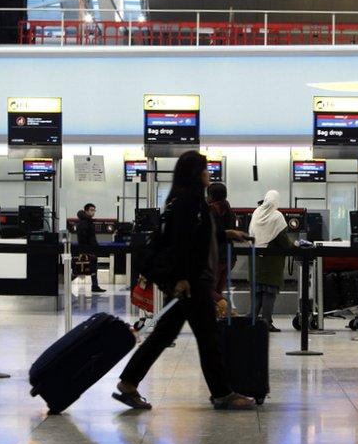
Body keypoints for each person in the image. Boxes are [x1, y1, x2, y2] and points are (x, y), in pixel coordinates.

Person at [114, 151, 255, 411]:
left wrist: (227, 233)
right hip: (191, 281)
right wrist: (180, 278)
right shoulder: (189, 200)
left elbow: (195, 235)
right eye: (204, 169)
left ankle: (129, 382)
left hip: (187, 280)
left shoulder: (182, 199)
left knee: (164, 334)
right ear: (194, 173)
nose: (208, 174)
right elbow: (181, 241)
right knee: (208, 337)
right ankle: (222, 393)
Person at [248, 190, 294, 332]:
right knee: (269, 294)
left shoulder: (256, 213)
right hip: (271, 263)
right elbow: (283, 241)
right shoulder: (277, 216)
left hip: (255, 260)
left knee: (257, 293)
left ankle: (252, 321)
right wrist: (295, 246)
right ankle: (266, 322)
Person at [208, 182, 246, 318]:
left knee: (207, 289)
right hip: (229, 257)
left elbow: (213, 234)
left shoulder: (210, 211)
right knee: (218, 289)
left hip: (214, 258)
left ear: (210, 196)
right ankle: (217, 320)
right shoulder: (230, 210)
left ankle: (226, 306)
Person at [74, 203, 104, 293]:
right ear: (86, 210)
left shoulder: (87, 221)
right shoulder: (84, 222)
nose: (93, 212)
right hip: (87, 248)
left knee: (92, 267)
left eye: (94, 210)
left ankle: (95, 285)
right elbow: (85, 237)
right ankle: (94, 286)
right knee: (84, 268)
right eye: (91, 210)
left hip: (89, 248)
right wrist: (90, 247)